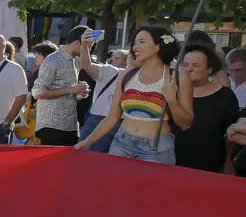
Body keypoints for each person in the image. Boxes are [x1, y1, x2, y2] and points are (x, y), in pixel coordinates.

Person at [76, 27, 192, 164]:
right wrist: (88, 141)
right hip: (121, 144)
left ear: (157, 46)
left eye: (142, 42)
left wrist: (172, 100)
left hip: (156, 149)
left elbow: (186, 123)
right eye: (134, 43)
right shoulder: (127, 75)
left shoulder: (178, 78)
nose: (135, 47)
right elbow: (112, 117)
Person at [171, 45, 240, 173]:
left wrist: (228, 161)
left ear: (210, 69)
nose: (189, 69)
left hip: (209, 163)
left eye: (196, 65)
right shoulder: (172, 92)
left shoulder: (225, 96)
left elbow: (230, 134)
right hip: (172, 159)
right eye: (185, 65)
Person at [32, 25, 90, 146]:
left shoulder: (75, 60)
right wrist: (71, 90)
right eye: (87, 46)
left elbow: (71, 91)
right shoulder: (53, 60)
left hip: (70, 126)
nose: (89, 50)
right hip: (52, 127)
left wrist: (79, 92)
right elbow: (37, 92)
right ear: (77, 43)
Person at [77, 43, 129, 153]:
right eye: (112, 57)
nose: (112, 59)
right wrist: (85, 45)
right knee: (87, 159)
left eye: (117, 57)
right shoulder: (111, 71)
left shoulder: (141, 77)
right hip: (98, 119)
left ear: (126, 59)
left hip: (126, 125)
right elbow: (86, 64)